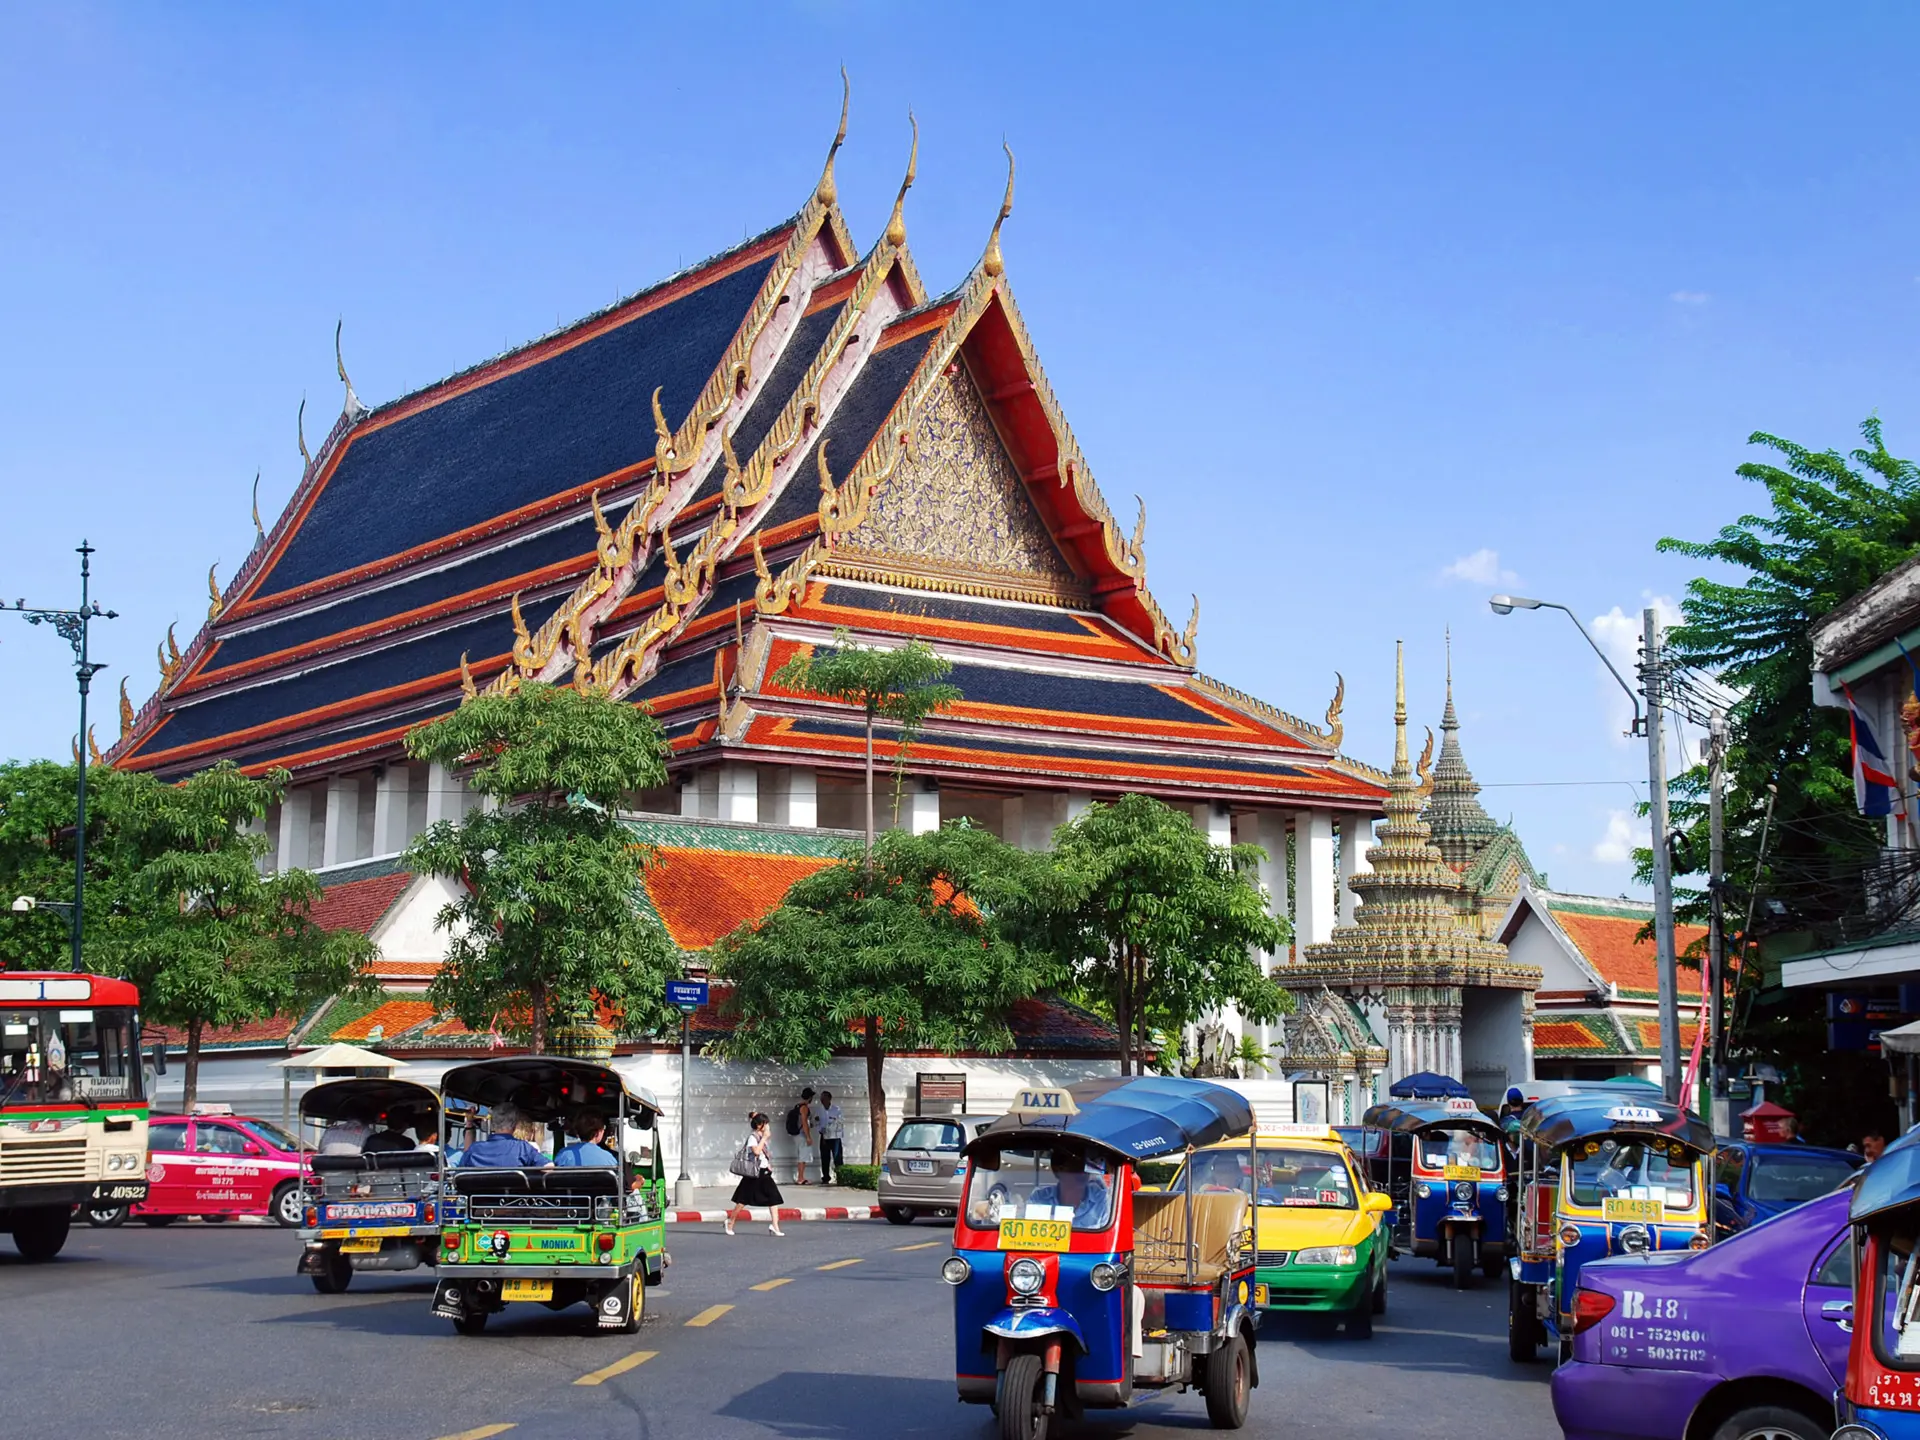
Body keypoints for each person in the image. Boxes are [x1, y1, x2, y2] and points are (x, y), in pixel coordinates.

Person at [725, 1112, 785, 1237]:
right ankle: (730, 1221)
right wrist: (764, 1138)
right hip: (753, 1174)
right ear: (759, 1125)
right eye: (765, 1124)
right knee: (742, 1200)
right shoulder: (753, 1137)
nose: (767, 1126)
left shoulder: (762, 1136)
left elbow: (763, 1154)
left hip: (764, 1172)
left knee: (774, 1198)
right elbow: (756, 1152)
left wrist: (767, 1163)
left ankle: (775, 1226)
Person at [1027, 1150, 1112, 1229]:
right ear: (1057, 1170)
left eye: (1086, 1167)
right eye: (1075, 1167)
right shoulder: (1039, 1198)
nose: (1083, 1173)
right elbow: (1031, 1233)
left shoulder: (1102, 1199)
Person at [458, 1104, 552, 1168]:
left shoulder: (474, 1149)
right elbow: (548, 1167)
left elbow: (460, 1171)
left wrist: (469, 1123)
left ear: (493, 1124)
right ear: (515, 1125)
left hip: (479, 1197)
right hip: (514, 1197)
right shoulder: (523, 1148)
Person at [788, 1086, 817, 1186]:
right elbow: (804, 1122)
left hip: (797, 1134)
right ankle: (800, 1178)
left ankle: (801, 1177)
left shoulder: (797, 1106)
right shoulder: (804, 1107)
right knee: (803, 1156)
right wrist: (808, 1136)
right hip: (802, 1134)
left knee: (802, 1155)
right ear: (810, 1097)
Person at [817, 1091, 844, 1186]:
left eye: (824, 1099)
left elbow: (840, 1122)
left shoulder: (836, 1109)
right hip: (824, 1136)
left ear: (829, 1099)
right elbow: (818, 1123)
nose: (822, 1101)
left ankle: (840, 1177)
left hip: (835, 1136)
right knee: (824, 1157)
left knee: (837, 1157)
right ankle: (825, 1177)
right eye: (821, 1099)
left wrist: (830, 1125)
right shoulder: (819, 1110)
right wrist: (821, 1130)